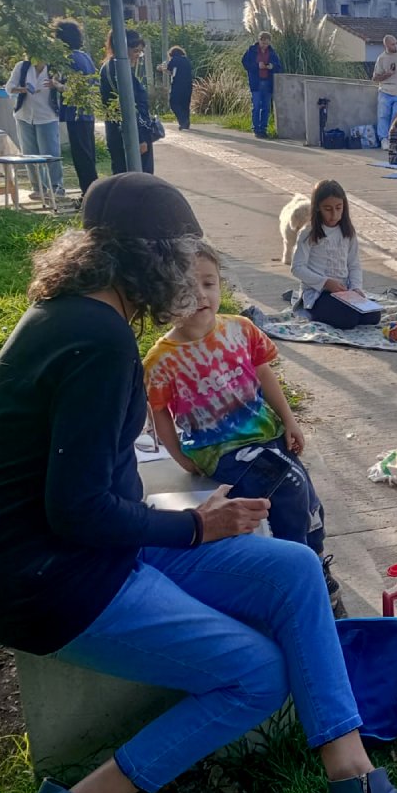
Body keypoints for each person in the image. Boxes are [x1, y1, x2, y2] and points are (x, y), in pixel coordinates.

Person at [0, 172, 397, 793]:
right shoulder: (99, 340)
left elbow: (80, 485)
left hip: (73, 550)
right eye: (182, 257)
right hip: (50, 581)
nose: (189, 277)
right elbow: (77, 508)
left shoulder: (69, 314)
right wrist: (197, 527)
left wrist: (180, 522)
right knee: (258, 675)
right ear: (151, 257)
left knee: (295, 567)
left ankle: (359, 788)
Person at [144, 244, 342, 614]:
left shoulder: (241, 329)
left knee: (306, 495)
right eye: (186, 287)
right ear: (164, 298)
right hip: (221, 451)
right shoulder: (161, 359)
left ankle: (314, 559)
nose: (201, 295)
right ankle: (300, 573)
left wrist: (289, 420)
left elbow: (265, 375)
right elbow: (160, 414)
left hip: (266, 435)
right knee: (288, 485)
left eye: (209, 283)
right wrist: (181, 457)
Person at [290, 179, 382, 330]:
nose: (334, 214)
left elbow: (354, 265)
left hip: (344, 291)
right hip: (318, 293)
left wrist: (356, 288)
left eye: (338, 208)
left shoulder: (348, 232)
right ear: (317, 208)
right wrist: (325, 283)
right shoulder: (308, 233)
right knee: (348, 319)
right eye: (328, 209)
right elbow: (297, 268)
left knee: (373, 316)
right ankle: (312, 312)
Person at [6, 52, 66, 199]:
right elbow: (9, 88)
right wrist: (22, 90)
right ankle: (38, 187)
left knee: (50, 153)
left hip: (47, 116)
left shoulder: (55, 68)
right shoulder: (22, 67)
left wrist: (55, 85)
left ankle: (56, 187)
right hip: (24, 115)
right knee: (29, 153)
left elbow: (66, 89)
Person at [101, 29, 155, 175]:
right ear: (123, 49)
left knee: (124, 175)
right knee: (138, 177)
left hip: (119, 131)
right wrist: (141, 138)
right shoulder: (118, 71)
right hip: (130, 133)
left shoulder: (110, 67)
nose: (138, 56)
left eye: (140, 52)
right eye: (135, 51)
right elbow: (130, 105)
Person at [54, 18, 99, 195]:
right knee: (88, 154)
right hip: (87, 112)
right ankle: (92, 190)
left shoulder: (69, 59)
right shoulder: (85, 57)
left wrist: (57, 85)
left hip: (75, 113)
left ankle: (89, 193)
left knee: (81, 157)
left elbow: (73, 89)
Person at [242, 32, 282, 139]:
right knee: (256, 106)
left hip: (268, 83)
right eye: (263, 43)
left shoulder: (272, 52)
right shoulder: (251, 51)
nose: (264, 45)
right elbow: (245, 63)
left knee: (266, 107)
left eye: (267, 43)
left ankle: (263, 129)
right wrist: (257, 66)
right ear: (259, 41)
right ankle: (256, 129)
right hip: (256, 82)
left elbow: (279, 66)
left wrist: (272, 66)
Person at [372, 35, 397, 150]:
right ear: (386, 45)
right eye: (393, 44)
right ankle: (383, 139)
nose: (395, 46)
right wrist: (386, 75)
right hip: (385, 91)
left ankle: (393, 138)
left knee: (396, 116)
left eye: (396, 43)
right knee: (383, 115)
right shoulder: (381, 58)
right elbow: (375, 78)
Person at [164, 46, 194, 131]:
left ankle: (183, 120)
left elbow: (169, 69)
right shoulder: (187, 60)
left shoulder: (174, 59)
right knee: (185, 104)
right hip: (188, 85)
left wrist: (163, 69)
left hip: (178, 84)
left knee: (174, 103)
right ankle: (186, 123)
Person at [278, 193, 310, 266]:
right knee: (289, 242)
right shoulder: (289, 224)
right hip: (291, 225)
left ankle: (288, 258)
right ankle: (287, 257)